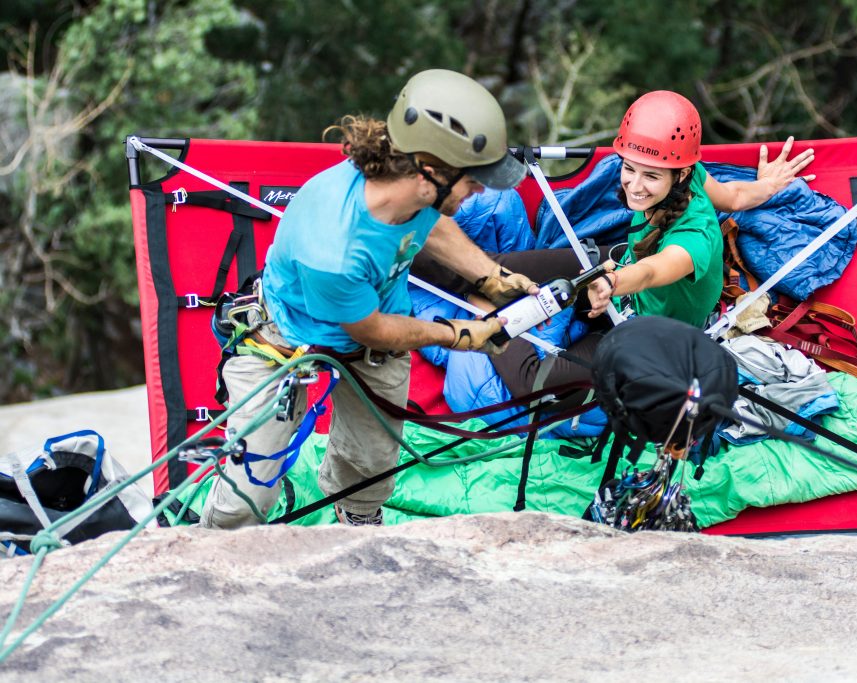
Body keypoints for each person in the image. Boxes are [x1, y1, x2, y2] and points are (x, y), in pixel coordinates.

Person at [200, 69, 537, 529]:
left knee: (371, 468)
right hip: (283, 337)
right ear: (430, 170)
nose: (480, 189)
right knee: (247, 494)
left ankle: (356, 517)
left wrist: (491, 276)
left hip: (371, 341)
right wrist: (462, 335)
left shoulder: (410, 191)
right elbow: (372, 328)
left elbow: (432, 227)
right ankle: (214, 549)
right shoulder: (334, 246)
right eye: (473, 179)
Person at [478, 90, 815, 399]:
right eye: (628, 169)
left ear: (680, 175)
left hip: (638, 325)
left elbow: (653, 271)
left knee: (531, 384)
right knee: (496, 265)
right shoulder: (691, 172)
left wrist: (612, 283)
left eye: (651, 176)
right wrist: (769, 185)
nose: (634, 187)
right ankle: (463, 277)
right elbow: (735, 196)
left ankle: (481, 308)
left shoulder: (694, 240)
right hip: (616, 264)